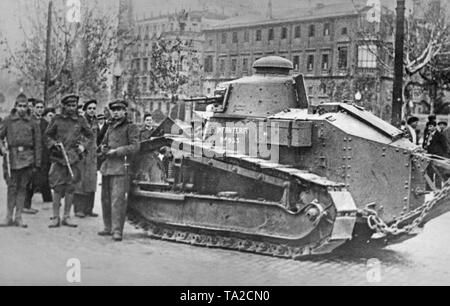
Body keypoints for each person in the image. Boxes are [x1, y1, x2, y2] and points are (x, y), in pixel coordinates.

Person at [45, 94, 94, 228]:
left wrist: (83, 146)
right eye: (69, 105)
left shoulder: (81, 120)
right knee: (57, 187)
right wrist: (53, 144)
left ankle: (67, 216)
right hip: (59, 157)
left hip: (73, 158)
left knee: (71, 187)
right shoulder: (57, 119)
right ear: (64, 106)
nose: (72, 108)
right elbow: (47, 135)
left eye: (74, 106)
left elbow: (90, 135)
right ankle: (56, 217)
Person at [99, 100, 140, 242]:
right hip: (108, 166)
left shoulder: (131, 127)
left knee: (117, 200)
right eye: (114, 110)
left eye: (119, 110)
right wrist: (103, 148)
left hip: (121, 167)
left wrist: (117, 151)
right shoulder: (110, 126)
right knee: (105, 199)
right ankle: (107, 226)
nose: (116, 112)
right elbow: (104, 142)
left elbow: (135, 146)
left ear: (124, 111)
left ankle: (117, 230)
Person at [0, 93, 42, 228]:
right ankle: (8, 216)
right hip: (12, 158)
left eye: (24, 106)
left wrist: (37, 162)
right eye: (20, 106)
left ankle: (18, 217)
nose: (22, 109)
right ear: (15, 106)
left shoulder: (33, 123)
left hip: (28, 158)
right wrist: (3, 149)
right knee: (11, 187)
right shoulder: (8, 120)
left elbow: (38, 144)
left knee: (22, 188)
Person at [74, 100, 99, 218]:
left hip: (92, 156)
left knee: (91, 182)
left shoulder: (95, 121)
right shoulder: (80, 121)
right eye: (89, 108)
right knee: (80, 182)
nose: (92, 110)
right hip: (82, 155)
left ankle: (89, 209)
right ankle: (79, 209)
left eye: (94, 108)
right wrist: (80, 146)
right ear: (85, 110)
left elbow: (97, 138)